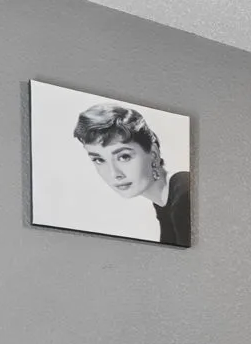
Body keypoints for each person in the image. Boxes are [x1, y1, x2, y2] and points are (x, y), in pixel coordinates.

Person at [73, 105, 192, 246]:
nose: (114, 173)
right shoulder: (164, 201)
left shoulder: (185, 195)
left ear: (153, 154)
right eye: (99, 160)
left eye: (124, 157)